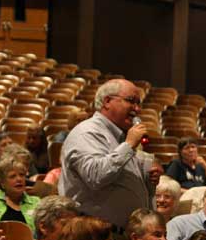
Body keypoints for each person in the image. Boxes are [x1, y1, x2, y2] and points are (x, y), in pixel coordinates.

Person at [59, 78, 154, 229]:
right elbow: (96, 175)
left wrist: (148, 178)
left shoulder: (120, 136)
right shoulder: (87, 132)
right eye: (131, 101)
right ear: (107, 101)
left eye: (138, 103)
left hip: (121, 233)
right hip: (94, 233)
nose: (137, 109)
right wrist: (129, 145)